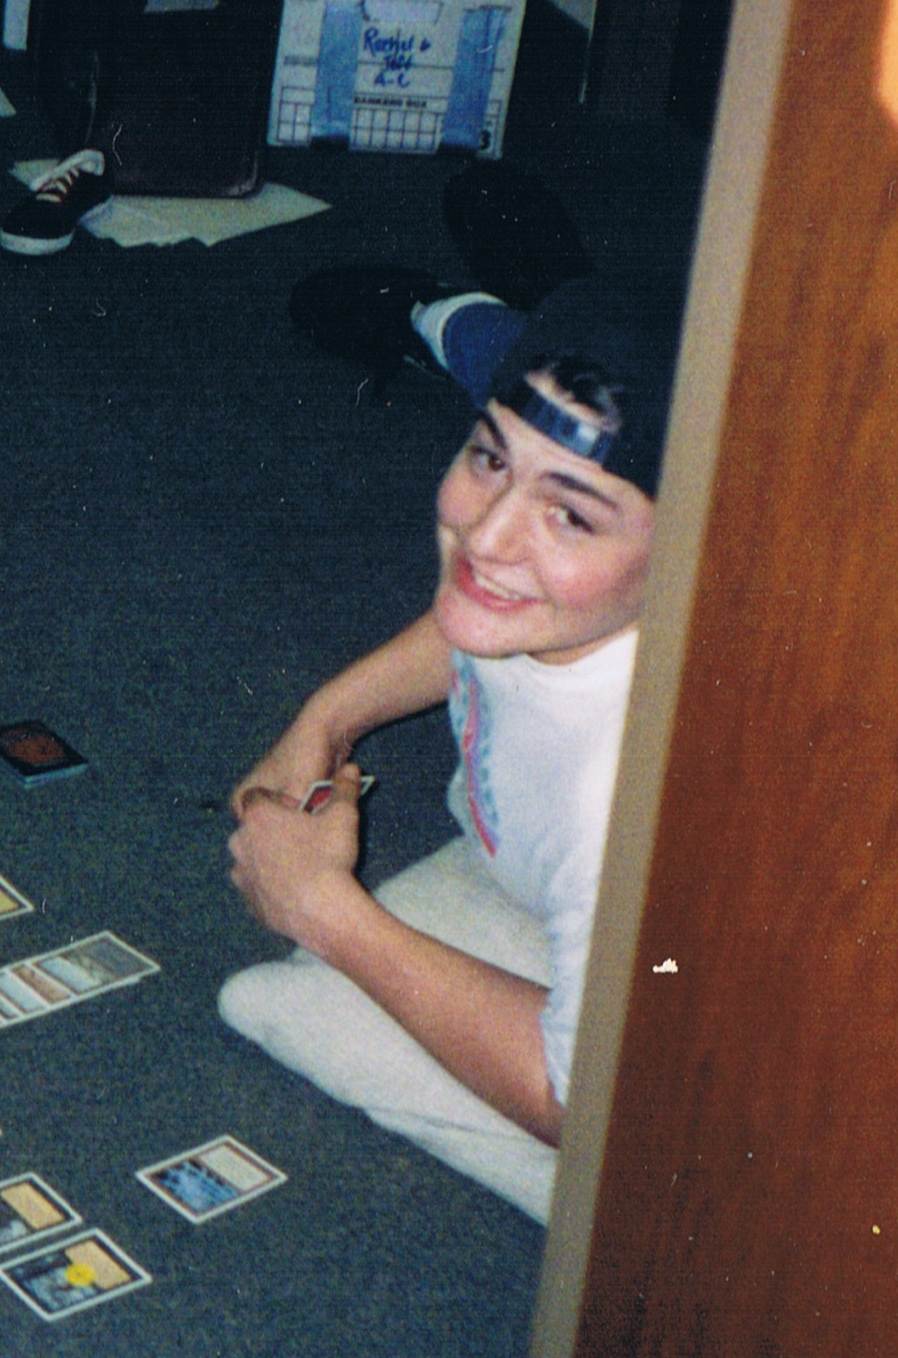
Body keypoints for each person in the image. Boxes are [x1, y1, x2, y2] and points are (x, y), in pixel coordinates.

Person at [219, 279, 677, 1222]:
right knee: (477, 339)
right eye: (486, 457)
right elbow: (466, 621)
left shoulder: (627, 804)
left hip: (653, 1016)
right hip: (523, 876)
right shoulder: (548, 595)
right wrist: (328, 717)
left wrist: (327, 912)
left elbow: (574, 1098)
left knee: (286, 1005)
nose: (486, 530)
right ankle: (445, 301)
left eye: (572, 515)